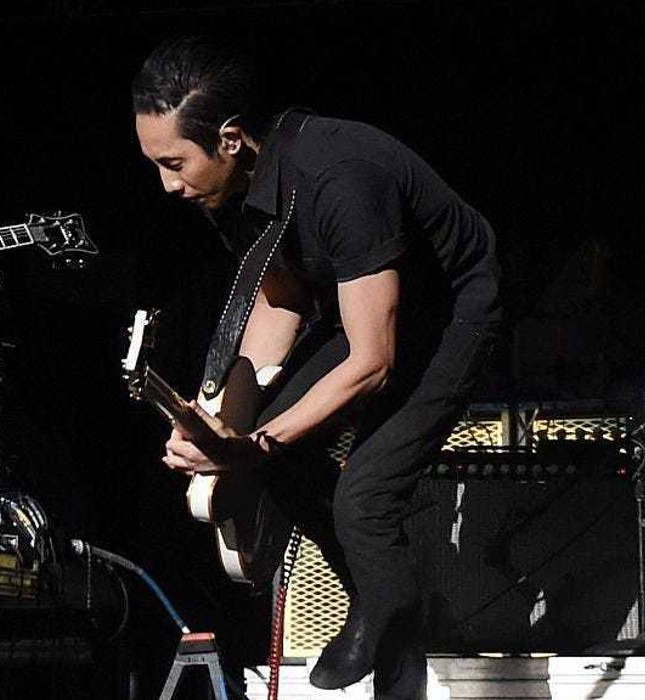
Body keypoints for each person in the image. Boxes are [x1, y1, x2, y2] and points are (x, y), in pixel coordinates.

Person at [134, 37, 502, 698]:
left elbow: (371, 364)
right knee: (281, 460)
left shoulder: (339, 176)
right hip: (363, 308)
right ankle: (378, 598)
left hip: (449, 311)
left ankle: (389, 608)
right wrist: (221, 418)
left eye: (173, 162)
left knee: (364, 496)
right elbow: (283, 301)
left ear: (229, 138)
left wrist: (250, 445)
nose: (167, 184)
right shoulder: (236, 188)